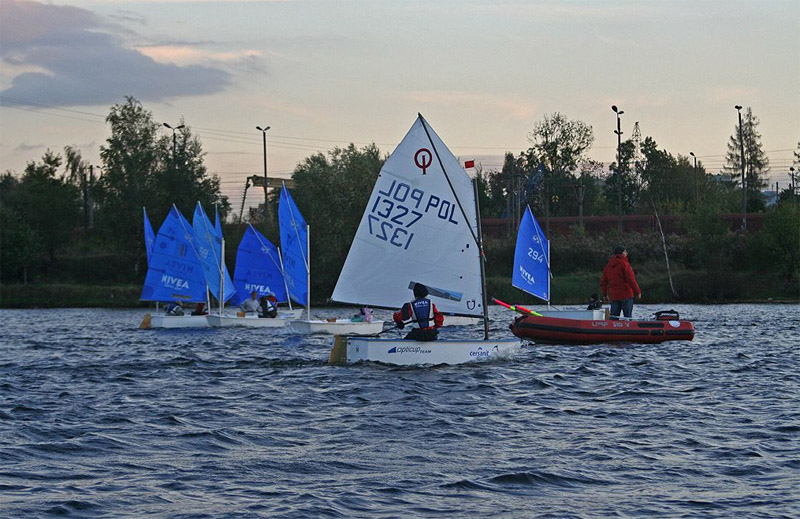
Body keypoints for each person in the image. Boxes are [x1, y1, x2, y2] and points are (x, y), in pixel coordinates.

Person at [600, 245, 642, 319]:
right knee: (628, 317)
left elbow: (603, 282)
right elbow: (631, 279)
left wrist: (604, 295)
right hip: (626, 294)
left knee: (614, 317)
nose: (627, 253)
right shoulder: (624, 264)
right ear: (622, 253)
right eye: (625, 251)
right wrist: (637, 291)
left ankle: (612, 329)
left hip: (614, 295)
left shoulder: (608, 266)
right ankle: (628, 329)